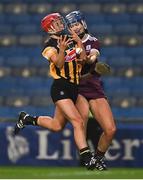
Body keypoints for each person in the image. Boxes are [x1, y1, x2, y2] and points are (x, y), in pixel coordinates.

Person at [13, 13, 97, 170]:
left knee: (57, 126)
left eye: (60, 21)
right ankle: (87, 157)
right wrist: (63, 49)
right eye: (57, 22)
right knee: (78, 121)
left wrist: (79, 42)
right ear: (49, 28)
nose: (61, 24)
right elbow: (58, 64)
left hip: (74, 87)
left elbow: (83, 59)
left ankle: (27, 119)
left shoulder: (70, 38)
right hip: (61, 87)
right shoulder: (49, 45)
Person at [65, 11, 117, 170]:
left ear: (83, 24)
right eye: (72, 25)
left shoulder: (92, 41)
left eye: (77, 23)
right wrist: (93, 69)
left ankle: (98, 158)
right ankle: (86, 157)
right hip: (77, 88)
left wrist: (90, 62)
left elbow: (93, 56)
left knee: (110, 129)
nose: (75, 27)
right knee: (82, 122)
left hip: (94, 87)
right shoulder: (66, 44)